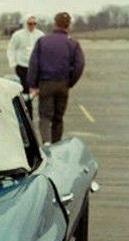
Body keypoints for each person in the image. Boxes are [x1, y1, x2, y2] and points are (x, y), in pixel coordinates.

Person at [27, 12, 85, 144]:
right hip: (63, 84)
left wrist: (33, 84)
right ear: (68, 25)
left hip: (46, 83)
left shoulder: (42, 41)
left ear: (55, 23)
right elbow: (79, 65)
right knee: (58, 118)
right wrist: (70, 82)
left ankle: (46, 142)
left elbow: (34, 64)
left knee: (45, 117)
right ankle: (56, 144)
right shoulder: (73, 44)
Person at [6, 14, 44, 119]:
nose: (32, 26)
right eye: (30, 23)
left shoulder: (40, 35)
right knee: (26, 94)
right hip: (22, 67)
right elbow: (11, 49)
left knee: (37, 92)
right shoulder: (18, 35)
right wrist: (13, 63)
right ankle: (28, 117)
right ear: (25, 23)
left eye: (34, 24)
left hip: (36, 68)